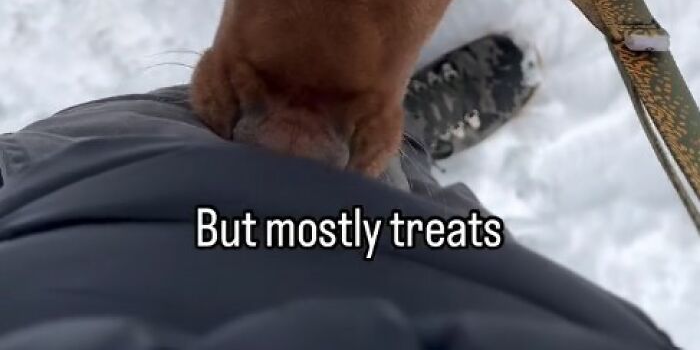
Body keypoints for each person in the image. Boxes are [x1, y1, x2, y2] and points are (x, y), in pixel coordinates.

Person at [0, 37, 676, 349]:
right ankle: (401, 134)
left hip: (68, 216)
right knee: (406, 194)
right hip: (471, 286)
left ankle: (362, 124)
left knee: (210, 117)